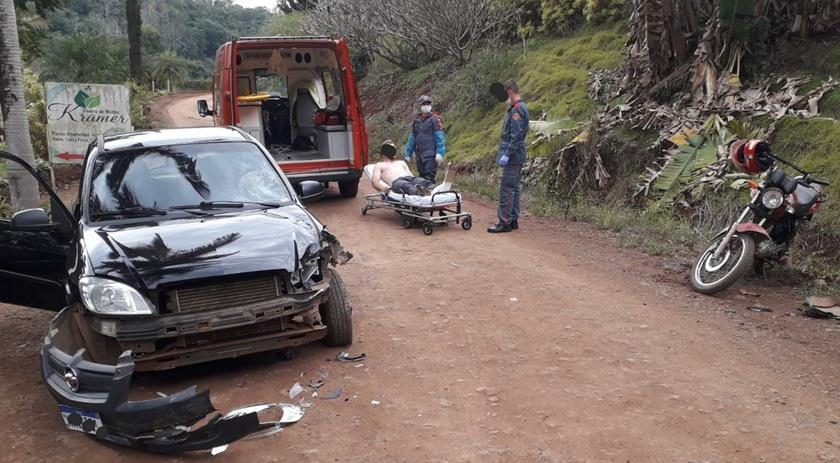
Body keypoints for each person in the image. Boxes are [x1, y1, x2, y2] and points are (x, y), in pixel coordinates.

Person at [488, 80, 529, 233]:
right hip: (516, 155)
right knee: (514, 188)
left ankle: (504, 222)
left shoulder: (517, 110)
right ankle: (512, 220)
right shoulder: (519, 107)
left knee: (507, 189)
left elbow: (516, 137)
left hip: (513, 155)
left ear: (510, 92)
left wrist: (507, 154)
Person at [404, 95, 446, 182]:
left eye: (428, 104)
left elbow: (439, 137)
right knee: (421, 178)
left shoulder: (434, 120)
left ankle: (431, 193)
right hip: (419, 155)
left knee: (429, 177)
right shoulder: (416, 122)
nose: (426, 106)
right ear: (420, 106)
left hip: (430, 155)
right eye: (424, 104)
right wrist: (408, 153)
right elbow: (412, 138)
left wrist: (440, 153)